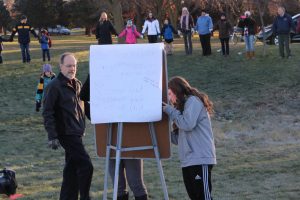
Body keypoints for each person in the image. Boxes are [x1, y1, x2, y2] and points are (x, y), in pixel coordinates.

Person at [80, 72, 148, 200]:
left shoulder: (131, 81)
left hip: (130, 137)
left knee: (136, 183)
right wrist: (95, 71)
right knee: (118, 185)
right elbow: (83, 96)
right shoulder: (100, 79)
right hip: (110, 138)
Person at [43, 52, 93, 200]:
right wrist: (52, 135)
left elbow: (84, 106)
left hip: (77, 132)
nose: (72, 69)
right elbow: (47, 112)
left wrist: (98, 118)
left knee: (71, 171)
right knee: (86, 166)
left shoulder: (77, 84)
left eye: (74, 65)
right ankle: (85, 197)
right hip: (66, 133)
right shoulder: (54, 86)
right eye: (69, 66)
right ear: (61, 66)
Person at [163, 76, 216, 200]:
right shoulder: (181, 108)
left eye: (170, 93)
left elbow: (188, 124)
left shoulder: (193, 101)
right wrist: (161, 133)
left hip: (200, 158)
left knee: (203, 197)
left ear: (178, 90)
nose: (169, 98)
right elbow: (178, 139)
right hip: (188, 160)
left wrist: (170, 111)